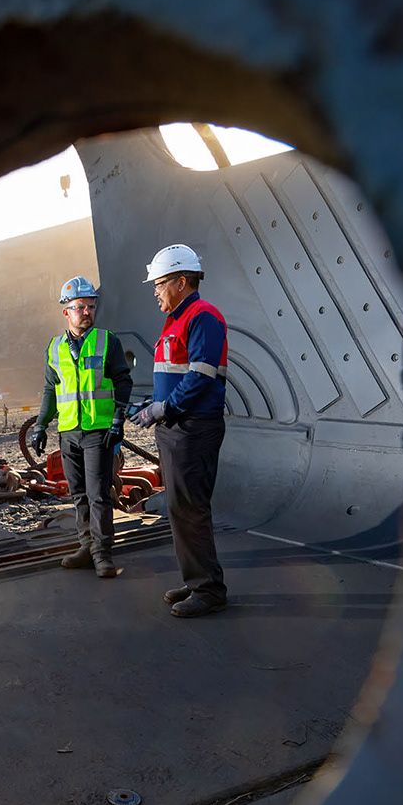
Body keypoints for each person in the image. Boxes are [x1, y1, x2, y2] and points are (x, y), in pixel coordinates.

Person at [130, 244, 229, 617]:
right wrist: (151, 405)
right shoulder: (176, 318)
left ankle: (209, 590)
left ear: (181, 281)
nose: (155, 290)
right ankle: (195, 580)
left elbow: (201, 375)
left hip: (193, 427)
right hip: (175, 427)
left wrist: (164, 408)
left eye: (159, 284)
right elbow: (174, 374)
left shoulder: (203, 315)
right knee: (178, 507)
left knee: (191, 508)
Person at [30, 276, 132, 577]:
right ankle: (87, 546)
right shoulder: (55, 348)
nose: (86, 312)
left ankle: (103, 554)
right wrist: (40, 426)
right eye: (79, 307)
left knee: (98, 494)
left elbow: (123, 380)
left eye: (90, 306)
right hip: (69, 432)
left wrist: (117, 419)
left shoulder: (108, 341)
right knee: (78, 494)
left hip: (98, 430)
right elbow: (50, 390)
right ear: (66, 312)